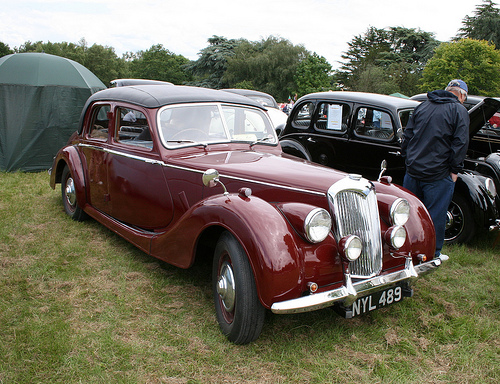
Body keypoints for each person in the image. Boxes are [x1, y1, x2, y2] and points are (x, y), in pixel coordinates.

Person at [401, 79, 470, 261]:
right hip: (438, 174)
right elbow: (460, 142)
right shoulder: (459, 110)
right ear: (461, 95)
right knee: (435, 216)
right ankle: (433, 254)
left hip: (413, 171)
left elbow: (408, 135)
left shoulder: (422, 106)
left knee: (409, 215)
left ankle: (406, 252)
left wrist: (408, 159)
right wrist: (455, 171)